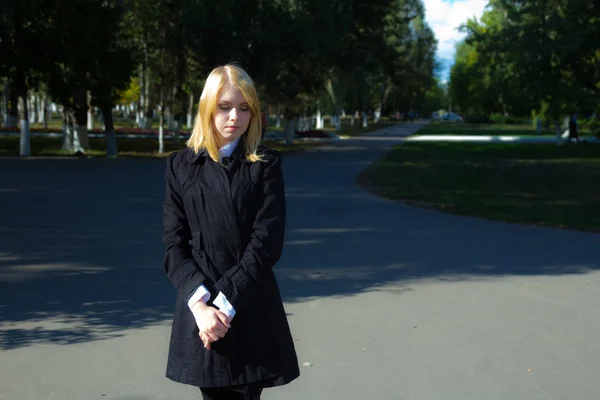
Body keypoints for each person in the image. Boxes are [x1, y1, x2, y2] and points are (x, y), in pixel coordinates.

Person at [162, 64, 300, 400]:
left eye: (244, 108)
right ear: (208, 107)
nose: (234, 117)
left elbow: (266, 243)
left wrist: (225, 306)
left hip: (248, 305)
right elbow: (173, 245)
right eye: (224, 107)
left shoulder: (265, 164)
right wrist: (201, 307)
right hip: (201, 310)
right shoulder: (180, 166)